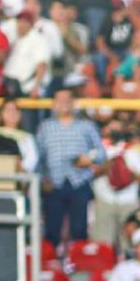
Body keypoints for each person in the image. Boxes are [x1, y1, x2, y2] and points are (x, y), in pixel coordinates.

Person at [35, 87, 106, 244]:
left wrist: (88, 159)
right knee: (52, 230)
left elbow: (101, 152)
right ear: (54, 104)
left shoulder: (86, 126)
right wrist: (42, 180)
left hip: (79, 182)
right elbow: (38, 157)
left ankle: (79, 263)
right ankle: (51, 264)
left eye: (68, 99)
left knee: (79, 229)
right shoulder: (45, 127)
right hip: (53, 184)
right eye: (60, 100)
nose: (64, 103)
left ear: (74, 103)